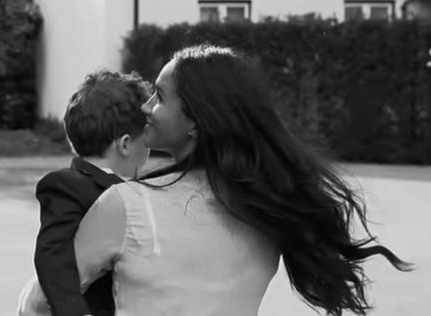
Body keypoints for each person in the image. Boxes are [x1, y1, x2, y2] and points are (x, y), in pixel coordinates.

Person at [54, 44, 411, 316]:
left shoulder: (126, 205)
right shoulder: (267, 210)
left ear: (196, 120)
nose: (145, 107)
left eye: (159, 97)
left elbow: (41, 301)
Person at [17, 70, 151, 316]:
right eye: (147, 142)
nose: (150, 151)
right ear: (126, 144)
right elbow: (53, 255)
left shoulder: (140, 188)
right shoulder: (68, 187)